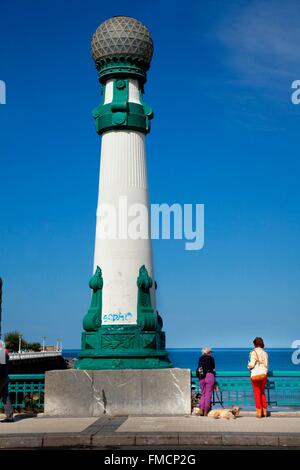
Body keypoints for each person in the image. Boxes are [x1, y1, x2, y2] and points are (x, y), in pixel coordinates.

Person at [248, 337, 269, 418]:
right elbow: (266, 365)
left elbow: (252, 364)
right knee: (262, 393)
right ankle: (265, 412)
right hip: (263, 375)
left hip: (255, 375)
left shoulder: (253, 352)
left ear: (254, 344)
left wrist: (248, 365)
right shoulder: (265, 353)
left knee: (257, 393)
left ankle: (259, 412)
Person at [197, 346, 216, 416]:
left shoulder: (200, 358)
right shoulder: (211, 359)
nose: (211, 353)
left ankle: (201, 409)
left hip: (201, 377)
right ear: (208, 352)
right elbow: (213, 369)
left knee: (203, 394)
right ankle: (206, 411)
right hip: (209, 376)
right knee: (208, 394)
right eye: (211, 352)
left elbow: (199, 368)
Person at [0, 341, 14, 423]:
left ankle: (9, 416)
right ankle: (9, 416)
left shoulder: (1, 354)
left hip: (1, 378)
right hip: (4, 378)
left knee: (5, 396)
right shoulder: (4, 354)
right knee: (5, 396)